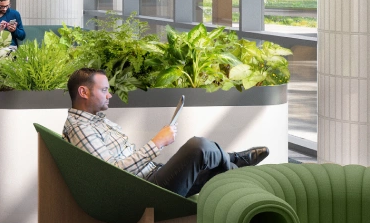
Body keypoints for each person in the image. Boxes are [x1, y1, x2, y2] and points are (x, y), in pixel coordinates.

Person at [63, 67, 268, 197]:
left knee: (213, 172)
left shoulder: (94, 122)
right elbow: (111, 173)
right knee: (198, 147)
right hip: (141, 191)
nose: (110, 95)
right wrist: (156, 143)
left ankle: (236, 165)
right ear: (83, 92)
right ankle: (235, 161)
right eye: (104, 90)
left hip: (149, 176)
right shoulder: (81, 127)